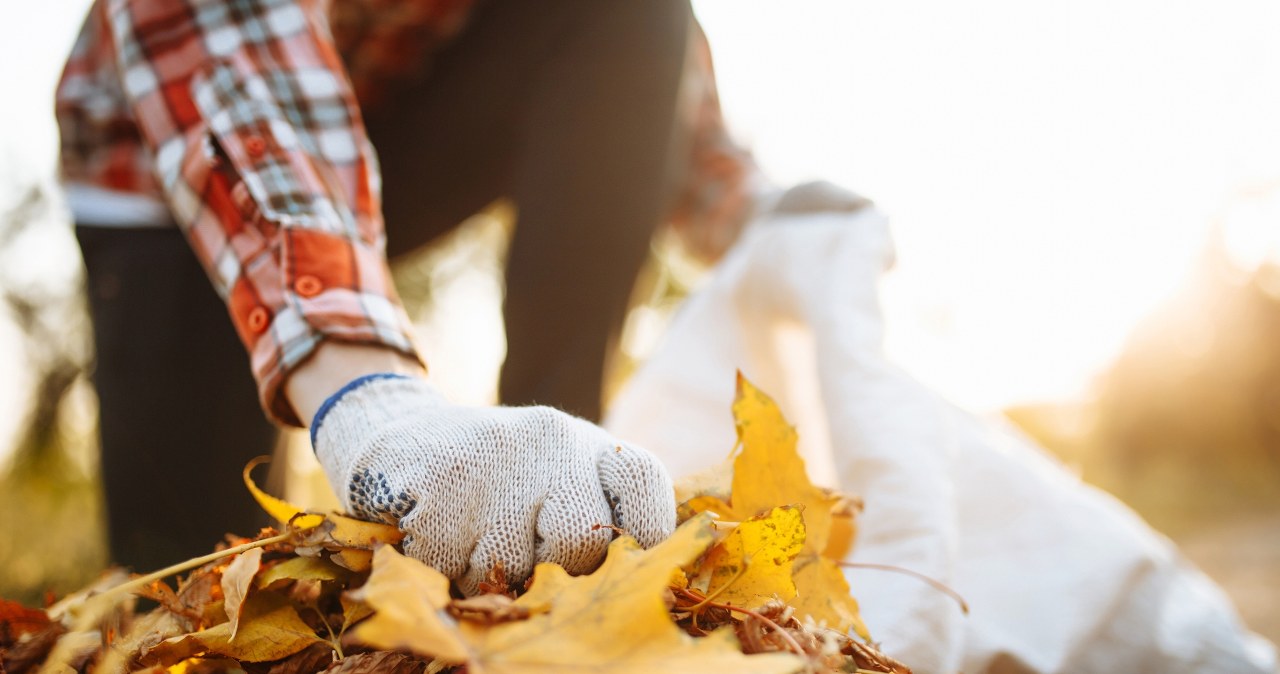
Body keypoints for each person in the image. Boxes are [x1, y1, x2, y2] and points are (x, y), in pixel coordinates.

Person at [55, 0, 758, 591]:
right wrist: (373, 405)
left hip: (379, 127)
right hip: (159, 162)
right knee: (193, 572)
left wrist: (764, 219)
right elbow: (223, 36)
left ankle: (549, 511)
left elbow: (638, 73)